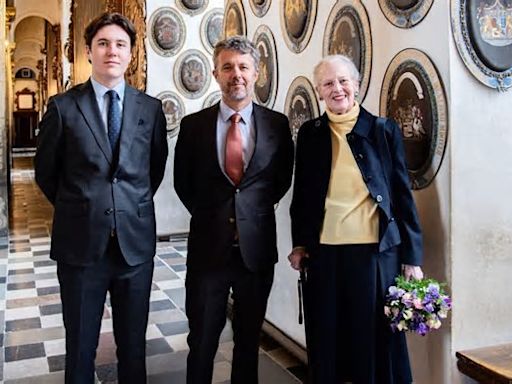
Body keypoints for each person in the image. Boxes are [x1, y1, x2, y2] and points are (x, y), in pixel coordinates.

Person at [34, 12, 168, 384]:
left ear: (131, 54)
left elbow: (153, 170)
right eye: (103, 44)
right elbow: (46, 173)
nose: (112, 51)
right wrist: (84, 208)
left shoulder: (149, 108)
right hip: (80, 247)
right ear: (89, 51)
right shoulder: (63, 107)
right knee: (79, 347)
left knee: (133, 347)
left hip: (134, 246)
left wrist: (125, 207)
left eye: (120, 45)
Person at [288, 54, 424, 384]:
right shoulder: (310, 133)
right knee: (328, 337)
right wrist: (300, 243)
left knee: (374, 339)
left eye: (343, 81)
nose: (337, 89)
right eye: (329, 83)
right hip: (325, 254)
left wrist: (412, 256)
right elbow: (302, 195)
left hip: (375, 254)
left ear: (357, 85)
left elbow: (401, 195)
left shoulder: (383, 130)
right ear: (319, 91)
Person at [174, 35, 294, 384]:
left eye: (243, 67)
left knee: (247, 343)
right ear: (215, 74)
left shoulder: (277, 125)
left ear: (256, 73)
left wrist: (249, 214)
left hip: (255, 255)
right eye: (227, 67)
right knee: (201, 342)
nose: (236, 74)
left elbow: (280, 180)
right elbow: (185, 183)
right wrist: (215, 216)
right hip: (207, 252)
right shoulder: (193, 127)